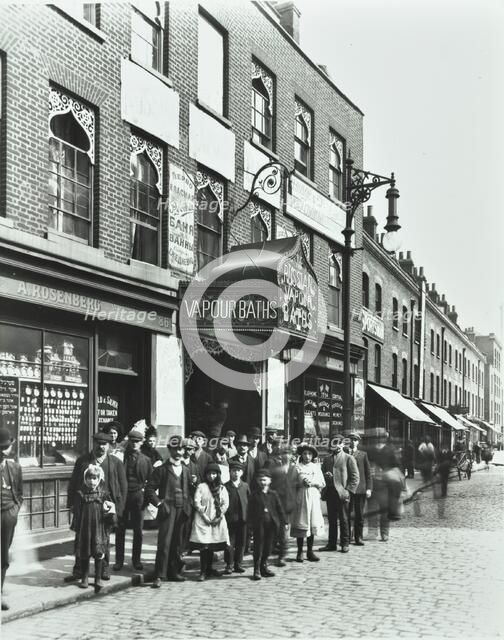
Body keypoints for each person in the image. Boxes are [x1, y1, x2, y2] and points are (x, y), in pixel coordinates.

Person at [66, 431, 127, 582]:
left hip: (106, 507)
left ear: (109, 445)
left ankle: (103, 569)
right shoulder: (83, 461)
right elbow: (73, 484)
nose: (101, 447)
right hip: (86, 506)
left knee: (104, 538)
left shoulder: (115, 463)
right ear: (93, 444)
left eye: (104, 444)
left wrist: (119, 509)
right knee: (81, 537)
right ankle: (79, 570)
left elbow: (123, 487)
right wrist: (72, 504)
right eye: (98, 443)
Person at [147, 436, 193, 587]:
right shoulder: (162, 469)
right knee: (164, 542)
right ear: (170, 450)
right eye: (175, 449)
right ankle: (159, 575)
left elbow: (190, 490)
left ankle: (174, 572)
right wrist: (159, 503)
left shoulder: (186, 470)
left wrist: (189, 506)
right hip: (168, 510)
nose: (178, 452)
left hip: (182, 510)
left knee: (178, 543)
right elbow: (150, 489)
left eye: (181, 449)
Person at [71, 464, 116, 593]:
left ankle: (97, 578)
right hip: (85, 527)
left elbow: (110, 510)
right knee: (85, 552)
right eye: (89, 478)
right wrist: (77, 527)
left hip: (99, 527)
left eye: (95, 478)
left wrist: (109, 520)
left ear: (99, 479)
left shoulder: (104, 494)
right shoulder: (80, 494)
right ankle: (84, 578)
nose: (92, 481)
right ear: (85, 479)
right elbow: (77, 512)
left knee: (98, 552)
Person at [114, 427, 153, 572]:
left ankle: (136, 560)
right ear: (128, 441)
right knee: (120, 529)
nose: (134, 444)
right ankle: (119, 561)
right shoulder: (120, 457)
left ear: (142, 443)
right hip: (122, 497)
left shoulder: (146, 460)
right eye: (132, 441)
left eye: (137, 441)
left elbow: (151, 481)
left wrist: (146, 496)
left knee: (138, 530)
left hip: (138, 496)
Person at [190, 462, 230, 582]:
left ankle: (210, 568)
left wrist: (219, 516)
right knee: (204, 546)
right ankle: (203, 571)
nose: (211, 476)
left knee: (212, 545)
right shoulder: (201, 487)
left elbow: (225, 503)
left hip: (217, 520)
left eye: (214, 474)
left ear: (218, 475)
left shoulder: (222, 488)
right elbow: (197, 502)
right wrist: (204, 516)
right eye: (209, 474)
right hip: (203, 520)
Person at [319, 435, 359, 553]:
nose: (336, 445)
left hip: (342, 493)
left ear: (342, 444)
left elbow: (355, 478)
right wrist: (326, 477)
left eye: (338, 443)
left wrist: (348, 491)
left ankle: (344, 543)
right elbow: (321, 475)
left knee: (344, 519)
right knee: (331, 520)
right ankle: (331, 544)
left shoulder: (348, 458)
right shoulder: (327, 459)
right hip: (330, 492)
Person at [247, 468, 287, 580]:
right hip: (259, 525)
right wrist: (250, 525)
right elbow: (250, 511)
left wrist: (284, 522)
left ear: (269, 481)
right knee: (258, 547)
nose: (262, 482)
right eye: (260, 480)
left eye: (264, 480)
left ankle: (263, 566)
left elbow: (279, 509)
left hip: (271, 525)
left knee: (268, 547)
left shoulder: (273, 494)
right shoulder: (254, 495)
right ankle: (256, 569)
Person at [291, 443, 326, 562]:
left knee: (312, 523)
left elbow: (322, 483)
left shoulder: (316, 467)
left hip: (313, 496)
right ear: (301, 454)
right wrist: (301, 483)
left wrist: (314, 484)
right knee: (302, 523)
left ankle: (310, 551)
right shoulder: (297, 467)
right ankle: (300, 551)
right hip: (301, 497)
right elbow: (291, 483)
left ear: (312, 456)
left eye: (309, 454)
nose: (307, 456)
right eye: (305, 453)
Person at [0, 426, 23, 611]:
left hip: (8, 514)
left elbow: (20, 493)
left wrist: (15, 510)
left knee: (3, 556)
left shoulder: (14, 467)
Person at [269, 452, 296, 565]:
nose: (286, 456)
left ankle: (282, 556)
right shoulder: (276, 470)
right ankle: (270, 552)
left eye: (288, 454)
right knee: (272, 532)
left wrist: (291, 505)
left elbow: (295, 487)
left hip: (287, 506)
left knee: (283, 533)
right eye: (284, 454)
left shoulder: (294, 470)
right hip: (275, 505)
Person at [224, 460, 249, 574]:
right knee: (229, 542)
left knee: (241, 542)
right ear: (230, 472)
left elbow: (249, 501)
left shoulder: (245, 486)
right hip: (230, 519)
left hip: (243, 519)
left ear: (242, 473)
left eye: (238, 471)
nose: (236, 473)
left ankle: (238, 563)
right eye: (234, 471)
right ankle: (229, 564)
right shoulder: (225, 487)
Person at [348, 434, 372, 546]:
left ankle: (358, 537)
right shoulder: (344, 454)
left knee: (359, 514)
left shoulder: (363, 455)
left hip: (360, 489)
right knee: (346, 514)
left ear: (358, 442)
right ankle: (346, 536)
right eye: (351, 440)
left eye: (355, 440)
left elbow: (368, 473)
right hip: (347, 489)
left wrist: (369, 488)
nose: (353, 442)